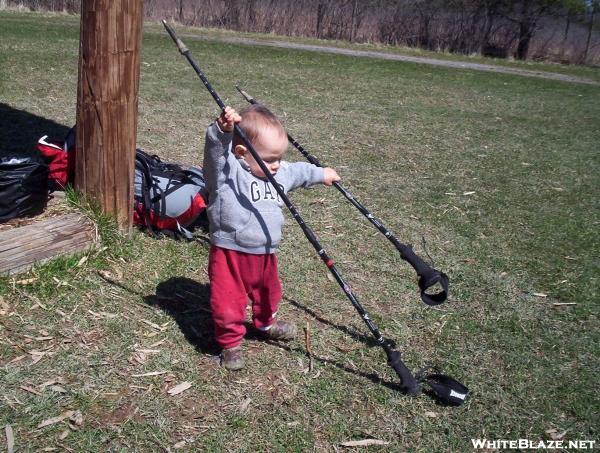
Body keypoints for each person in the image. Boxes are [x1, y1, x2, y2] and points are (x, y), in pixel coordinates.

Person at [203, 104, 340, 370]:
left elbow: (298, 171)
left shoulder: (279, 172)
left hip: (266, 253)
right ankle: (231, 346)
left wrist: (321, 173)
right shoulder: (227, 173)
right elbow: (215, 154)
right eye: (269, 159)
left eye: (279, 157)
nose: (277, 165)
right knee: (228, 301)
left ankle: (266, 324)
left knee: (269, 293)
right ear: (242, 153)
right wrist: (222, 130)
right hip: (230, 254)